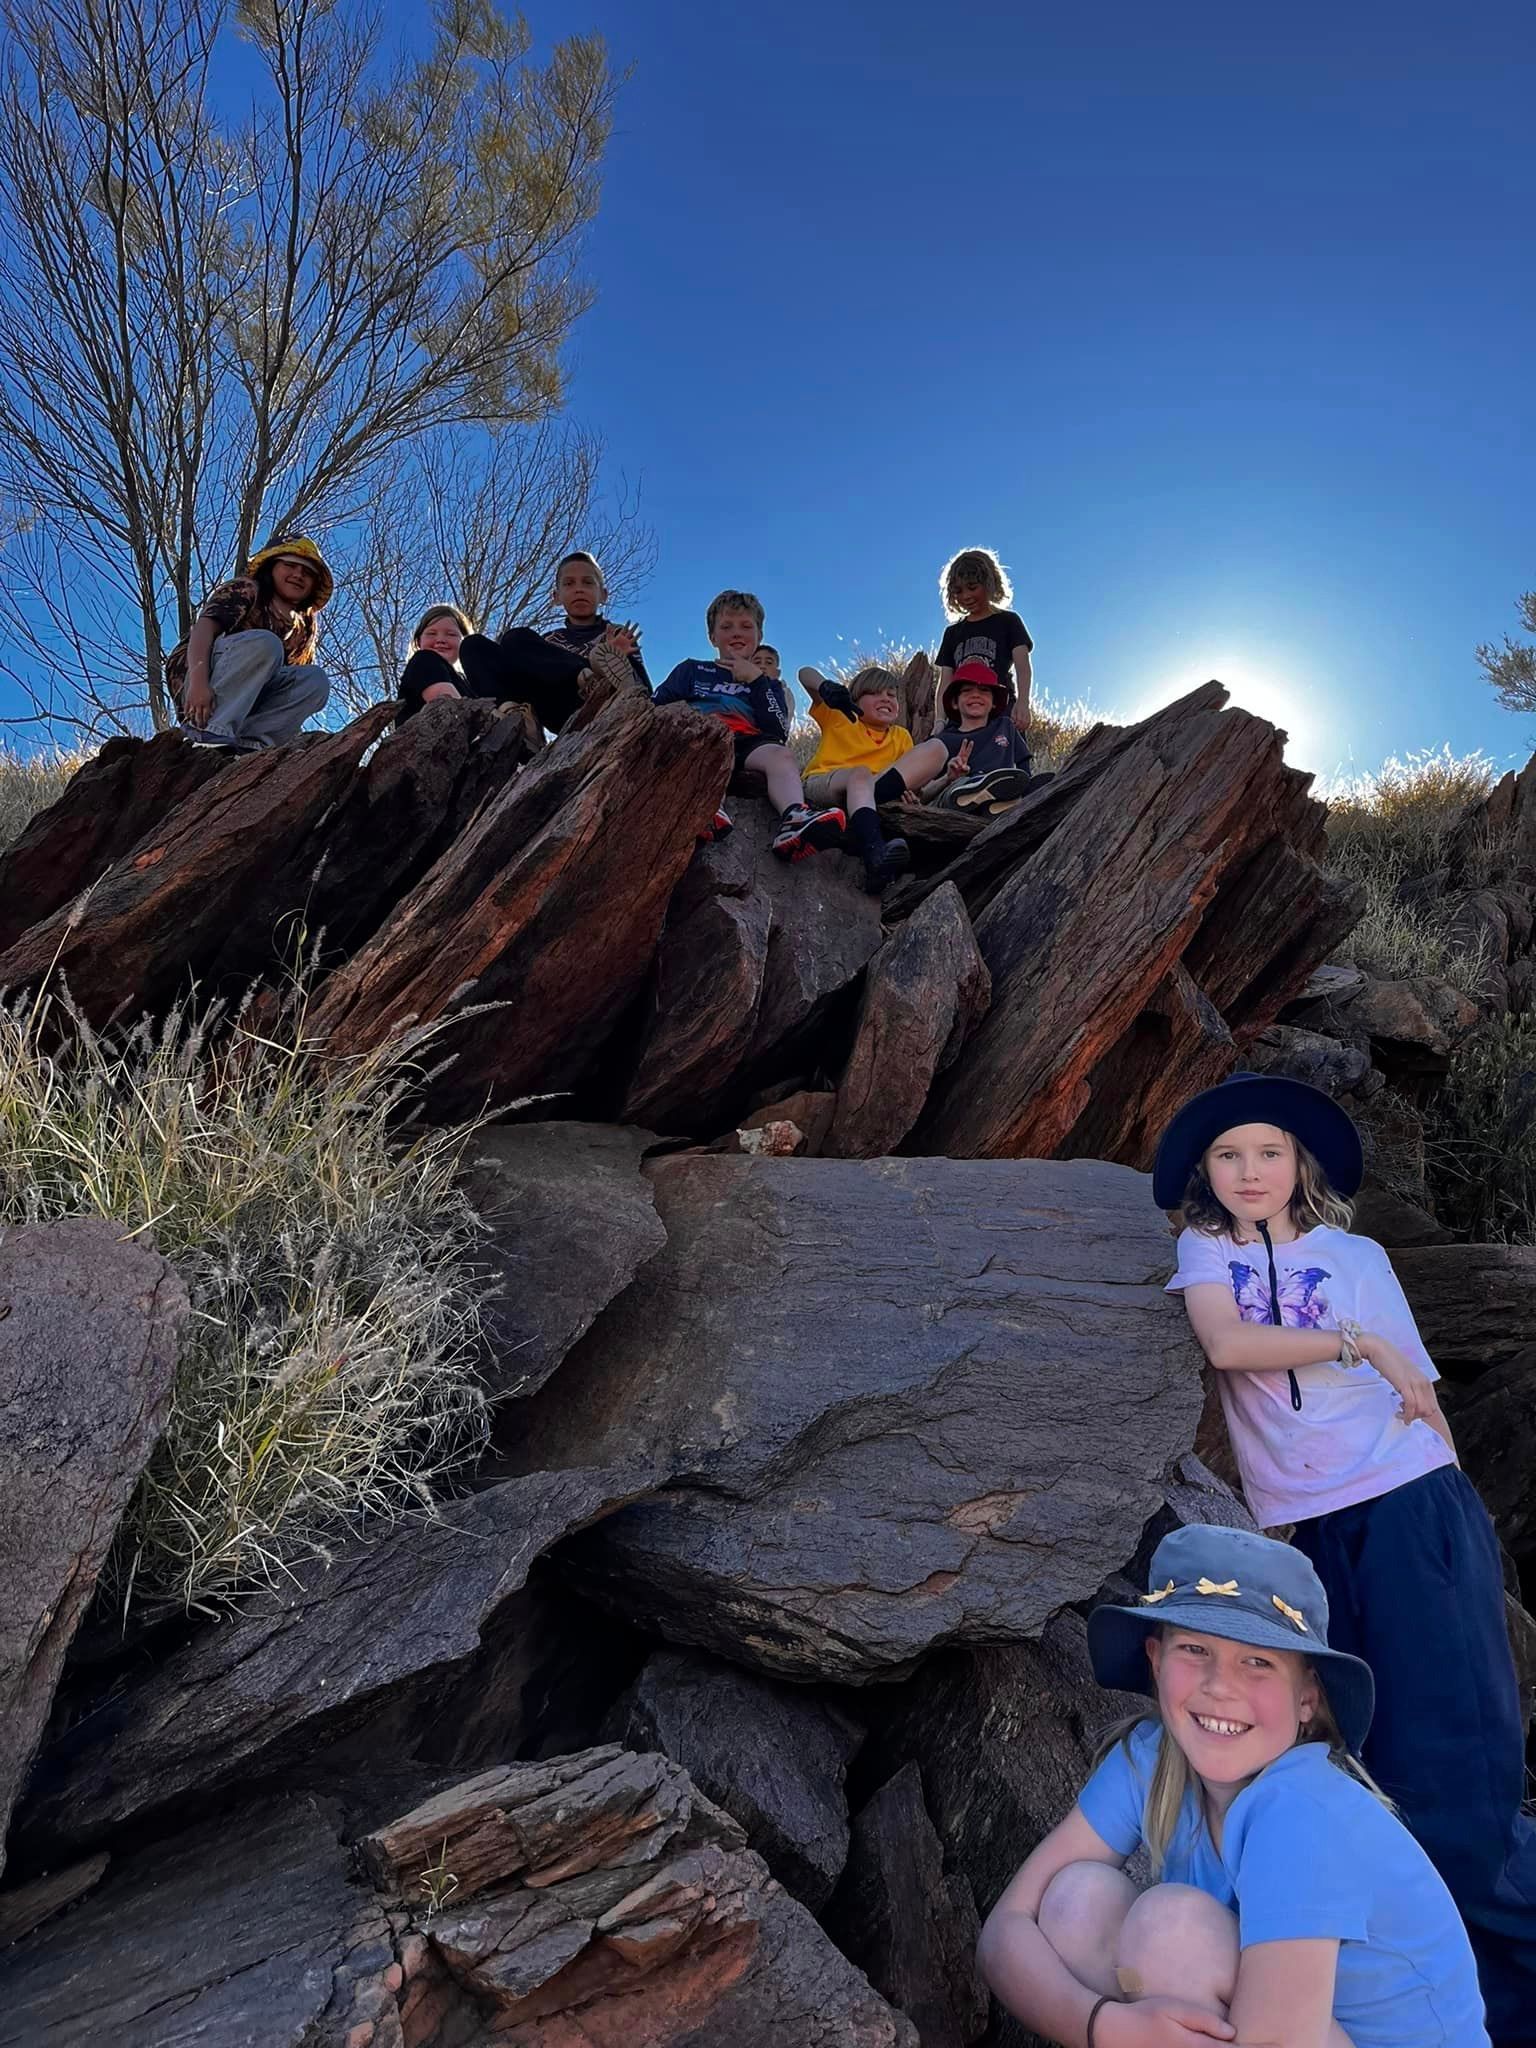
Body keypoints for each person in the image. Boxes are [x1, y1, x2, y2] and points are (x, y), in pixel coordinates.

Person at [1154, 1071, 1536, 2046]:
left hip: (1413, 1506)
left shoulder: (1357, 1253)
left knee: (1456, 1755)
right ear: (1205, 1167)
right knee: (1368, 1754)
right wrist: (1353, 1339)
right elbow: (1228, 1341)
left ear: (1299, 1165)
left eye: (1269, 1152)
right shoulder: (1204, 1248)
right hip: (1318, 1533)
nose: (1250, 1170)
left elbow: (1422, 1405)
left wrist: (1463, 1532)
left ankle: (1494, 1998)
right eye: (1230, 1153)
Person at [977, 1523, 1490, 2048]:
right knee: (1074, 1903)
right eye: (1195, 1649)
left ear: (1307, 1698)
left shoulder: (1300, 1812)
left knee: (1169, 1933)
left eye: (1258, 1662)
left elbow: (1276, 2041)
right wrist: (1103, 2026)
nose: (1220, 1686)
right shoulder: (1152, 1759)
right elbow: (1007, 1929)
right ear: (1155, 1661)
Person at [654, 590, 844, 861]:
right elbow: (658, 705)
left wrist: (756, 681)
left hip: (749, 744)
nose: (736, 633)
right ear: (712, 636)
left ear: (759, 636)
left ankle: (794, 817)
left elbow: (777, 730)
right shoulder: (692, 670)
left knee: (781, 755)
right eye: (726, 626)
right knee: (710, 745)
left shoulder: (769, 684)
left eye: (746, 626)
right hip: (702, 738)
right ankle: (705, 810)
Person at [796, 663, 967, 892]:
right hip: (825, 784)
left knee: (937, 748)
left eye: (891, 695)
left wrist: (947, 779)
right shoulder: (841, 715)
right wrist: (825, 687)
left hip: (870, 791)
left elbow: (920, 794)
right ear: (855, 699)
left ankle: (865, 817)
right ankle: (875, 852)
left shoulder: (901, 736)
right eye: (875, 693)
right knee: (861, 774)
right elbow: (805, 673)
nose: (886, 699)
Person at [167, 532, 334, 750]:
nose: (298, 574)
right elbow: (203, 629)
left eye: (308, 572)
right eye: (290, 565)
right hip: (200, 682)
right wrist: (199, 684)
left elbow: (290, 685)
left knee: (315, 680)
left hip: (250, 701)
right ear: (271, 566)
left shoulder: (305, 627)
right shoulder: (247, 589)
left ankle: (252, 744)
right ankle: (209, 733)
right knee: (267, 645)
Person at [456, 552, 644, 735]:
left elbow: (645, 690)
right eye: (569, 583)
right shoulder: (544, 643)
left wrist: (621, 656)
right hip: (563, 710)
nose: (579, 589)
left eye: (588, 582)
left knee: (611, 660)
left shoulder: (616, 634)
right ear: (556, 596)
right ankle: (516, 720)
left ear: (603, 594)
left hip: (609, 703)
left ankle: (597, 683)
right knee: (478, 644)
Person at [935, 545, 1033, 738]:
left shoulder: (1008, 621)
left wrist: (1023, 703)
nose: (966, 596)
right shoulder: (953, 632)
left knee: (1010, 763)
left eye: (972, 588)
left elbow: (1023, 666)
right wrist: (940, 719)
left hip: (1000, 708)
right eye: (959, 591)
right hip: (962, 714)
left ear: (989, 584)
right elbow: (945, 680)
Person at [929, 658, 1034, 809]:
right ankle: (980, 794)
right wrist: (948, 777)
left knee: (1036, 785)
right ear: (954, 702)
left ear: (994, 702)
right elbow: (925, 791)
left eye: (984, 690)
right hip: (958, 795)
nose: (976, 695)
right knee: (962, 786)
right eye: (967, 691)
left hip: (1003, 790)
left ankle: (1000, 803)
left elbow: (1024, 767)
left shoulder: (1005, 726)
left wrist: (1027, 784)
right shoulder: (943, 739)